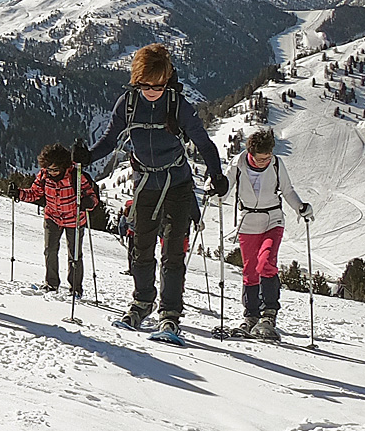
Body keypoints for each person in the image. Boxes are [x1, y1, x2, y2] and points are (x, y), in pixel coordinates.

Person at [74, 43, 227, 342]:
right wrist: (88, 157)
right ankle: (141, 304)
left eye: (157, 84)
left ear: (166, 78)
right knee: (140, 249)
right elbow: (109, 139)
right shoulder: (128, 104)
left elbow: (204, 142)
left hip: (177, 186)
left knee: (173, 252)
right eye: (145, 84)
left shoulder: (177, 104)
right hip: (145, 185)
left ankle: (169, 316)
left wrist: (216, 174)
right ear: (136, 80)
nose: (152, 90)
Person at [223, 127, 313, 340]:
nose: (265, 161)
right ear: (250, 153)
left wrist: (300, 207)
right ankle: (251, 316)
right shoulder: (238, 163)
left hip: (272, 219)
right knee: (250, 270)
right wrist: (214, 188)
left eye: (268, 157)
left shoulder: (276, 163)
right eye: (261, 158)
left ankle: (268, 315)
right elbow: (225, 187)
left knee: (266, 263)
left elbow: (287, 190)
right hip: (248, 222)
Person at [16, 143, 100, 297]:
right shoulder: (43, 175)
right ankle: (51, 283)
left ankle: (75, 289)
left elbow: (93, 197)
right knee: (50, 251)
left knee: (74, 255)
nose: (52, 172)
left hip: (74, 220)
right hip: (52, 217)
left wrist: (88, 202)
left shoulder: (76, 176)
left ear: (63, 165)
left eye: (55, 169)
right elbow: (35, 193)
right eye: (49, 169)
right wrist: (19, 194)